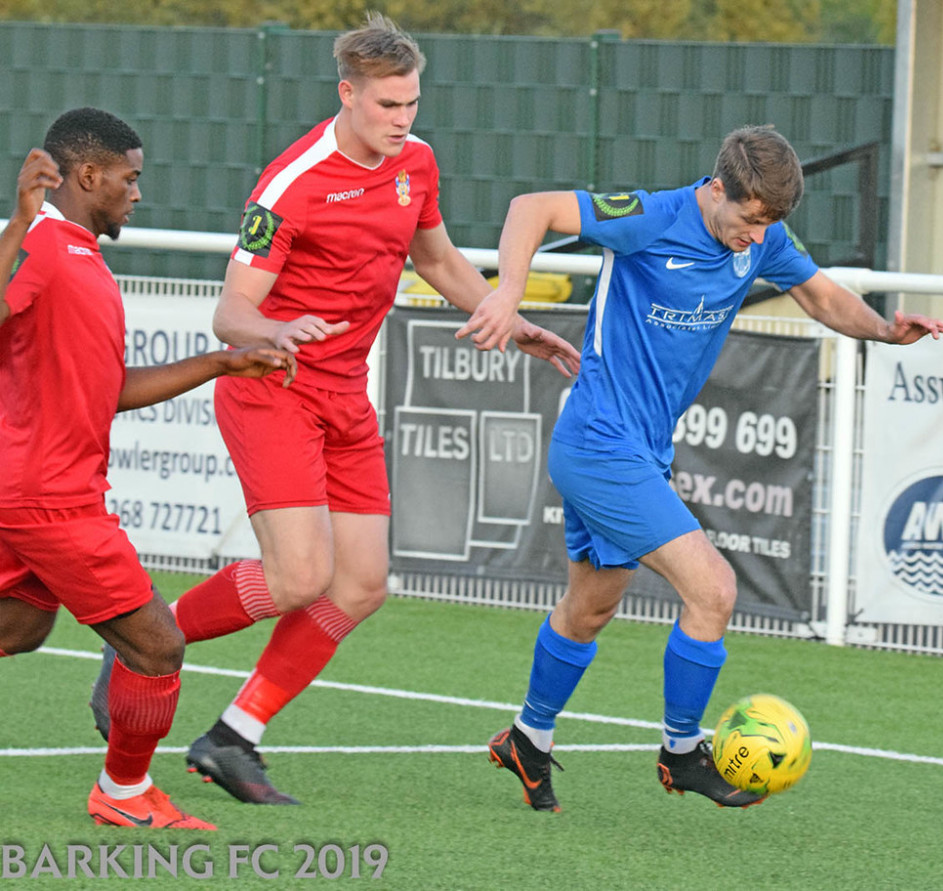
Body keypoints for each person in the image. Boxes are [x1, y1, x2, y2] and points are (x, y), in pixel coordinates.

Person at [90, 12, 580, 806]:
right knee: (301, 574)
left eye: (412, 104)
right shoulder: (293, 183)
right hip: (270, 390)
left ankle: (232, 736)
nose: (403, 119)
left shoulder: (415, 163)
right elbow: (230, 314)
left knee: (359, 582)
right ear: (346, 94)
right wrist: (277, 326)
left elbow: (435, 257)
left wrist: (509, 319)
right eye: (387, 105)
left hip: (345, 394)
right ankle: (145, 638)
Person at [476, 125, 943, 812]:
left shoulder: (763, 239)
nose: (756, 238)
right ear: (718, 187)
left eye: (770, 226)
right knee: (715, 589)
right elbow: (533, 207)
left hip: (640, 448)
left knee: (593, 604)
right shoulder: (653, 216)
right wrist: (507, 293)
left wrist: (882, 330)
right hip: (599, 442)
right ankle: (681, 753)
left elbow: (819, 295)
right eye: (750, 219)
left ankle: (527, 737)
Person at [0, 109, 297, 829]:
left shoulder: (80, 257)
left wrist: (220, 363)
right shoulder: (39, 244)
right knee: (157, 644)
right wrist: (16, 222)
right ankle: (125, 792)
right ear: (89, 174)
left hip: (35, 488)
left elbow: (108, 392)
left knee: (20, 627)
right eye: (130, 178)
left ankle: (125, 791)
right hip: (49, 497)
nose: (138, 192)